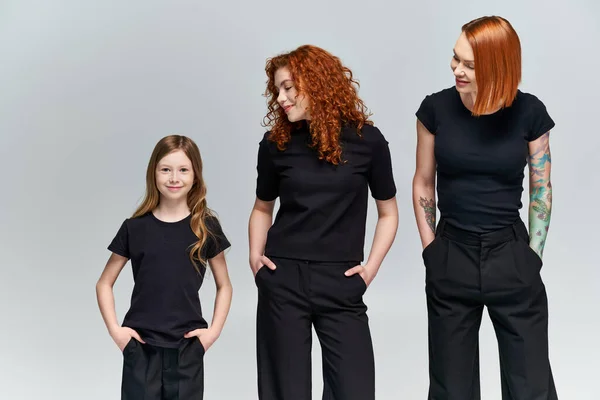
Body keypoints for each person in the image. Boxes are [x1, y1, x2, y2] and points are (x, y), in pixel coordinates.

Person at [413, 16, 558, 399]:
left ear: (497, 65)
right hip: (451, 254)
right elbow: (423, 181)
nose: (455, 68)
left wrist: (533, 257)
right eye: (455, 58)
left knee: (531, 387)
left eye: (469, 64)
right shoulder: (435, 111)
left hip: (511, 254)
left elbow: (541, 189)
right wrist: (431, 250)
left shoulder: (530, 113)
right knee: (451, 389)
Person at [248, 44, 398, 400]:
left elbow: (388, 213)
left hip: (341, 281)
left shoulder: (368, 142)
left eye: (288, 87)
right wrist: (256, 259)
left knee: (355, 390)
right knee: (286, 392)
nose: (281, 98)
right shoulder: (275, 145)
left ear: (317, 83)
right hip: (283, 279)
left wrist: (370, 268)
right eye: (277, 90)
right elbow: (261, 208)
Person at [96, 135, 233, 400]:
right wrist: (117, 332)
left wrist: (212, 333)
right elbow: (104, 283)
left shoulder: (206, 227)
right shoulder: (134, 228)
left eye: (183, 170)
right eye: (166, 169)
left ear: (195, 175)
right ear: (154, 173)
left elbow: (224, 285)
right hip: (141, 347)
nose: (174, 178)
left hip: (187, 347)